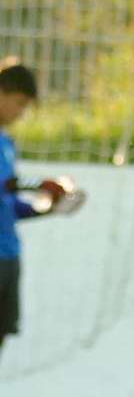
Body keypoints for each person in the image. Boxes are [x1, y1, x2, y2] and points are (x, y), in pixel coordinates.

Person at [0, 64, 86, 368]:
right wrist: (39, 183)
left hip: (8, 255)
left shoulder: (6, 144)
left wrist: (46, 206)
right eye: (20, 103)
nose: (21, 112)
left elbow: (9, 204)